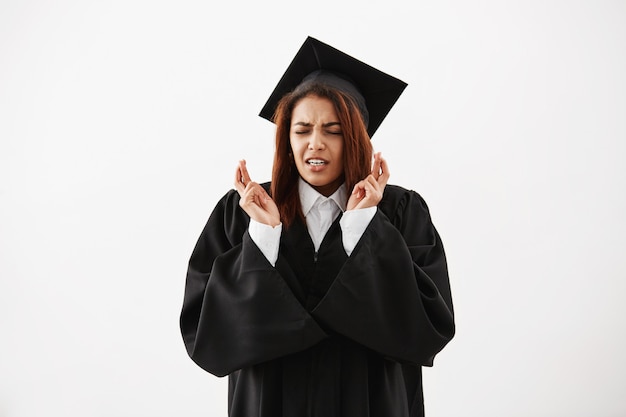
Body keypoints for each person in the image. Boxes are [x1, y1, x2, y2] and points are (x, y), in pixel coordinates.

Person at [180, 36, 455, 417]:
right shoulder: (244, 210)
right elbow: (208, 338)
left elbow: (428, 331)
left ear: (357, 137)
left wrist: (363, 229)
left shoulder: (400, 211)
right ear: (285, 137)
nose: (315, 143)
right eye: (302, 129)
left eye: (334, 130)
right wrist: (263, 239)